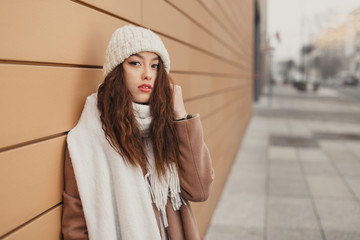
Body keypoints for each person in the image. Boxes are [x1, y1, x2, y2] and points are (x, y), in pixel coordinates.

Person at [61, 25, 214, 240]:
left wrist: (180, 115)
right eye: (135, 63)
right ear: (117, 70)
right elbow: (76, 227)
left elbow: (199, 190)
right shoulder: (89, 137)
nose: (147, 74)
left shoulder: (168, 126)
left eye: (155, 66)